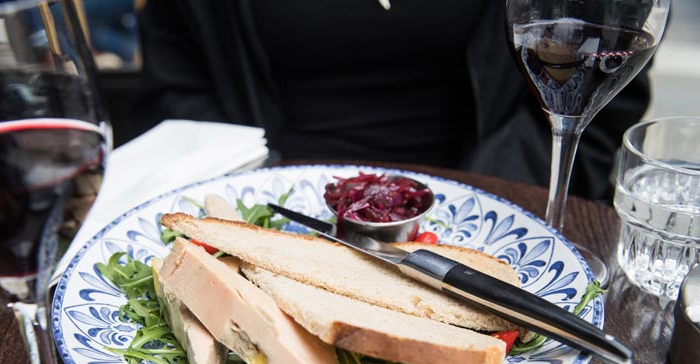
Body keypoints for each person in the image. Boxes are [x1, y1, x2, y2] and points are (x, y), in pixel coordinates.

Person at [134, 0, 652, 203]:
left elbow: (604, 62)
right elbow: (181, 77)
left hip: (494, 201)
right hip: (269, 201)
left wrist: (482, 207)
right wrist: (258, 198)